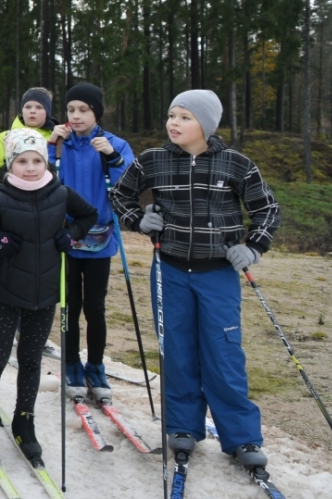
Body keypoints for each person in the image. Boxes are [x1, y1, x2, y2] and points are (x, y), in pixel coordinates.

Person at [110, 90, 280, 471]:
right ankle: (183, 426)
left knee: (223, 353)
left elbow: (266, 209)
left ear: (205, 124)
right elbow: (118, 196)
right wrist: (139, 220)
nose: (174, 123)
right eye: (172, 115)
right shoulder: (151, 161)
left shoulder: (235, 163)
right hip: (169, 271)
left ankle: (241, 437)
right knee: (178, 350)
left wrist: (253, 247)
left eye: (185, 117)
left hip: (217, 273)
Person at [0, 129, 97, 463]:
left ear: (45, 161)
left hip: (46, 293)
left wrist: (71, 235)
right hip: (6, 292)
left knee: (31, 359)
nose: (31, 167)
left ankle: (25, 419)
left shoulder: (61, 193)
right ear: (11, 164)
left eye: (37, 160)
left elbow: (88, 215)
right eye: (22, 161)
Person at [56, 83, 133, 401]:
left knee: (95, 307)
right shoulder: (60, 144)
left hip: (101, 238)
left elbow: (130, 181)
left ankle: (96, 366)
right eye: (71, 110)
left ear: (96, 112)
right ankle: (71, 363)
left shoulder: (114, 144)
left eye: (83, 110)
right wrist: (50, 146)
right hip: (68, 236)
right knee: (69, 305)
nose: (76, 116)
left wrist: (113, 157)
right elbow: (40, 176)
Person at [0, 87, 57, 188]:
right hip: (11, 198)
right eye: (28, 107)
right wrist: (9, 184)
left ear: (47, 112)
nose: (32, 111)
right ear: (22, 109)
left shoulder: (56, 138)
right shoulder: (6, 137)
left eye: (39, 107)